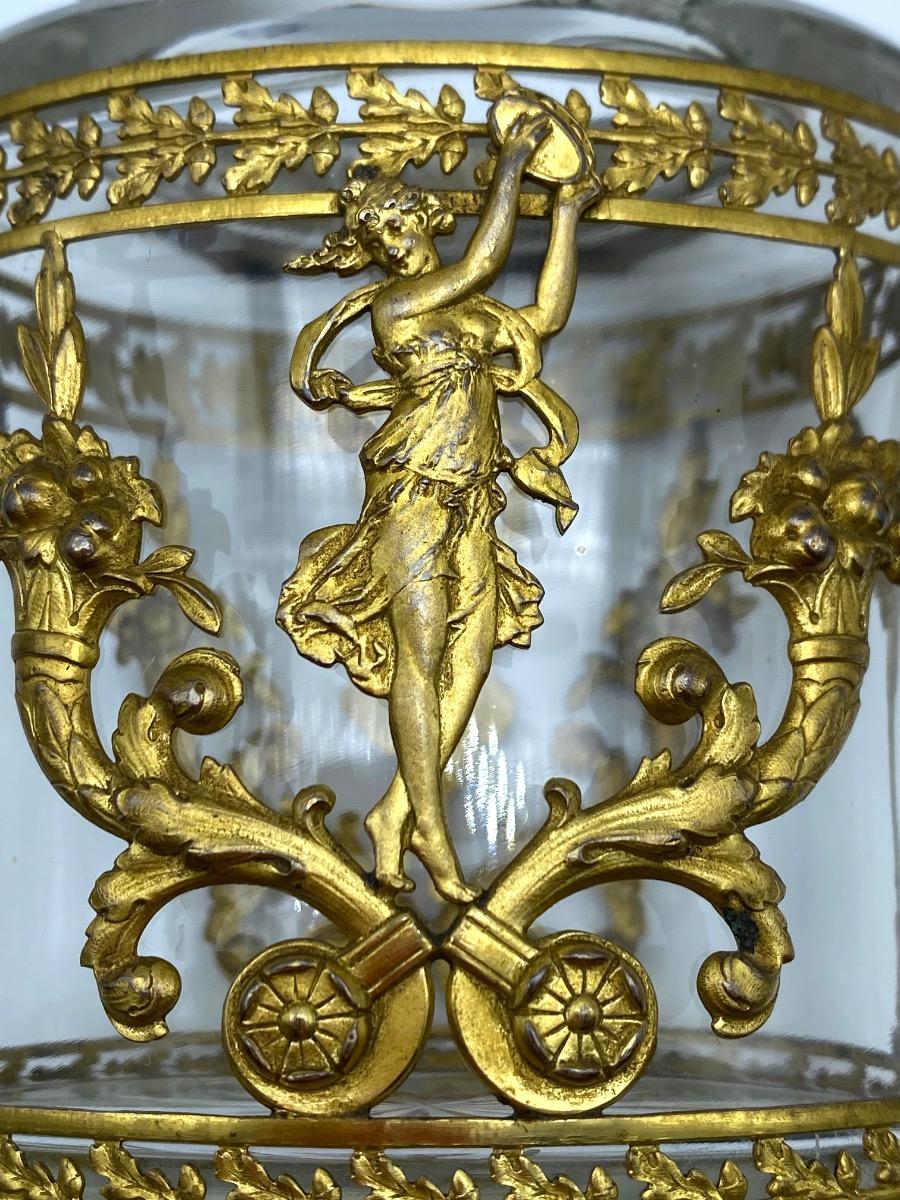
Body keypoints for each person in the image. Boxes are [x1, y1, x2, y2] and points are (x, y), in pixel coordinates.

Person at [278, 111, 598, 902]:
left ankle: (395, 814)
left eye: (396, 221)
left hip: (472, 500)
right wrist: (511, 164)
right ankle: (433, 829)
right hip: (414, 496)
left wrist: (565, 211)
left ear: (421, 215)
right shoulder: (398, 308)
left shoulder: (472, 316)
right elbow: (486, 258)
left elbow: (547, 316)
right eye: (374, 234)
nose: (390, 242)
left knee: (474, 657)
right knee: (419, 658)